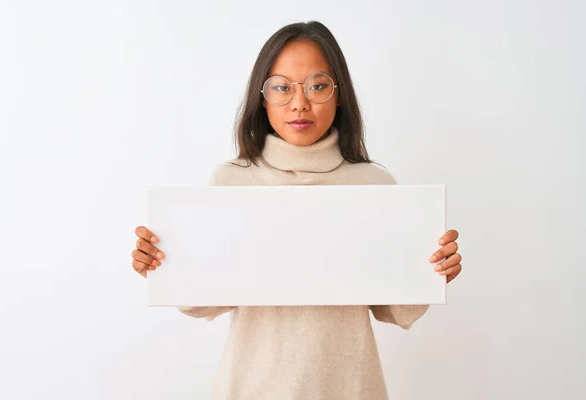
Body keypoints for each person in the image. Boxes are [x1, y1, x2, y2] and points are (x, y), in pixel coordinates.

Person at [131, 21, 462, 400]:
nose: (299, 103)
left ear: (339, 95)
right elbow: (201, 302)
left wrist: (434, 268)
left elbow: (396, 310)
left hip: (350, 387)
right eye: (282, 87)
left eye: (317, 85)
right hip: (251, 386)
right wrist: (162, 262)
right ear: (263, 97)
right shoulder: (231, 182)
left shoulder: (374, 185)